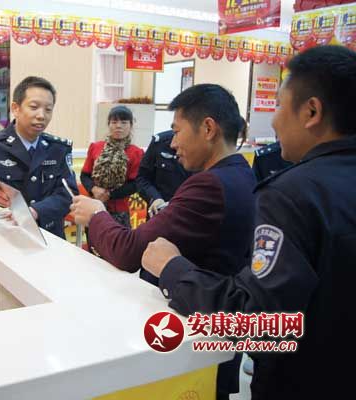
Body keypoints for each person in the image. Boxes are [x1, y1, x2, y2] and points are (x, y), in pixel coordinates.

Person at [140, 45, 356, 399]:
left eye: (279, 107)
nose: (273, 122)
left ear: (311, 111)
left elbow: (260, 321)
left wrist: (173, 270)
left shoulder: (293, 194)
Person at [71, 84, 254, 398]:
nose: (173, 142)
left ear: (208, 128)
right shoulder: (243, 173)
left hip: (191, 335)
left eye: (178, 131)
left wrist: (97, 214)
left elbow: (129, 251)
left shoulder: (210, 184)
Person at [0, 76, 78, 239]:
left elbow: (68, 194)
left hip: (50, 237)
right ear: (15, 108)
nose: (41, 115)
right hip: (3, 237)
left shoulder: (58, 149)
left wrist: (36, 211)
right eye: (34, 107)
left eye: (48, 109)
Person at [80, 105, 144, 227]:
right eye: (114, 122)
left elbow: (135, 184)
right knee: (93, 239)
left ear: (131, 125)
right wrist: (93, 189)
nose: (118, 126)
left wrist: (109, 194)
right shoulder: (95, 147)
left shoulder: (136, 153)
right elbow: (85, 175)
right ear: (109, 124)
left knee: (120, 239)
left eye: (124, 122)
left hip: (119, 210)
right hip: (94, 207)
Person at [136, 130, 191, 217]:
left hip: (191, 214)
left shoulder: (206, 146)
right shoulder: (160, 142)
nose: (173, 145)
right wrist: (155, 198)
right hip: (160, 213)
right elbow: (142, 178)